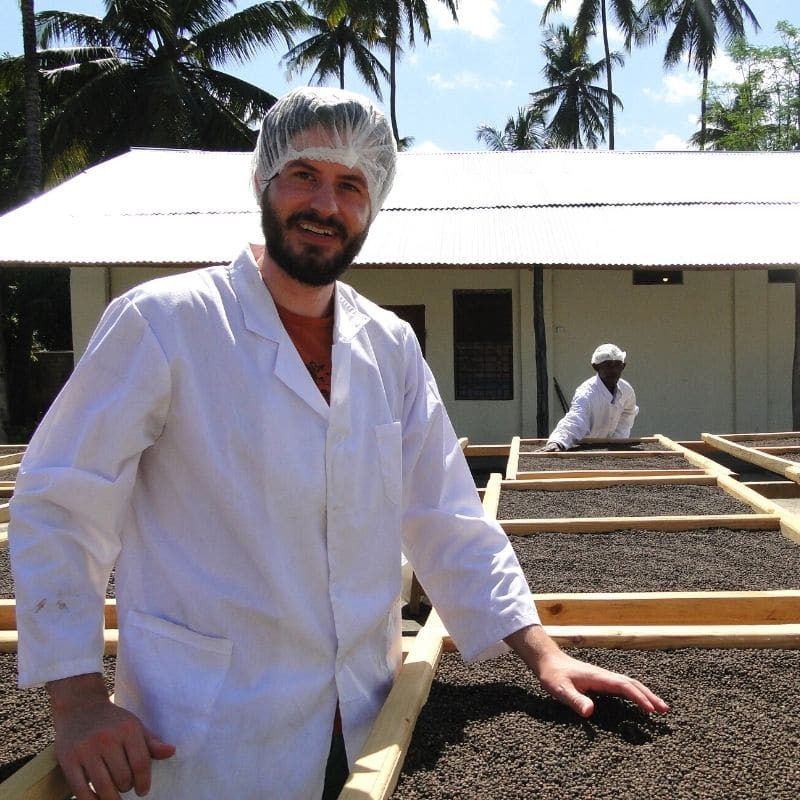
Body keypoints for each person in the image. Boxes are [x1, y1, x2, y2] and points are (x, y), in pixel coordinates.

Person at [10, 88, 666, 800]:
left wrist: (542, 653)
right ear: (263, 182)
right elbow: (62, 509)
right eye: (305, 175)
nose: (326, 204)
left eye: (351, 185)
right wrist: (76, 703)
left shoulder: (388, 345)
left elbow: (445, 515)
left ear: (371, 205)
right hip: (206, 731)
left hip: (364, 723)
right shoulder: (163, 324)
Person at [540, 343, 639, 452]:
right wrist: (558, 442)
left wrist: (618, 442)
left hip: (611, 451)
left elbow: (628, 413)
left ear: (623, 366)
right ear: (596, 367)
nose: (614, 370)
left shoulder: (627, 390)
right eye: (608, 365)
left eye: (618, 365)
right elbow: (575, 419)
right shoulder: (586, 393)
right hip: (584, 450)